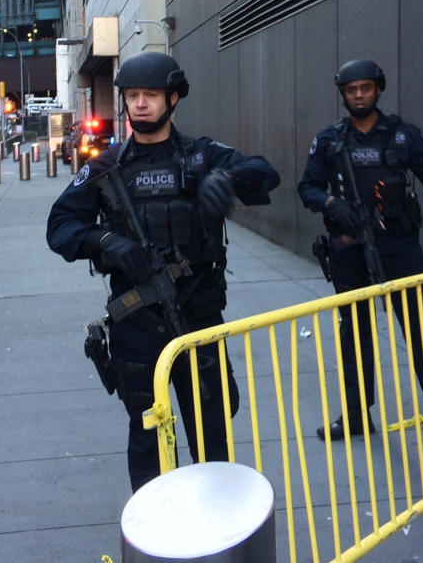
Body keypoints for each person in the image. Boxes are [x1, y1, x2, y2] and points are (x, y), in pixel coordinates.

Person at [47, 51, 281, 491]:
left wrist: (226, 182)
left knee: (212, 436)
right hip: (137, 325)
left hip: (197, 319)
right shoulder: (106, 167)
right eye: (132, 95)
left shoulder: (200, 155)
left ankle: (219, 535)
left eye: (150, 95)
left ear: (172, 98)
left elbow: (265, 172)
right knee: (148, 441)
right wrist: (104, 241)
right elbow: (59, 226)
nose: (139, 104)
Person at [298, 58, 423, 454]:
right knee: (354, 336)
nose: (359, 95)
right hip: (349, 247)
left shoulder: (403, 137)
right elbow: (307, 187)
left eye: (366, 88)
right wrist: (328, 203)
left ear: (379, 89)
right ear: (343, 93)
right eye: (351, 89)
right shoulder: (329, 140)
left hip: (399, 246)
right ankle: (356, 414)